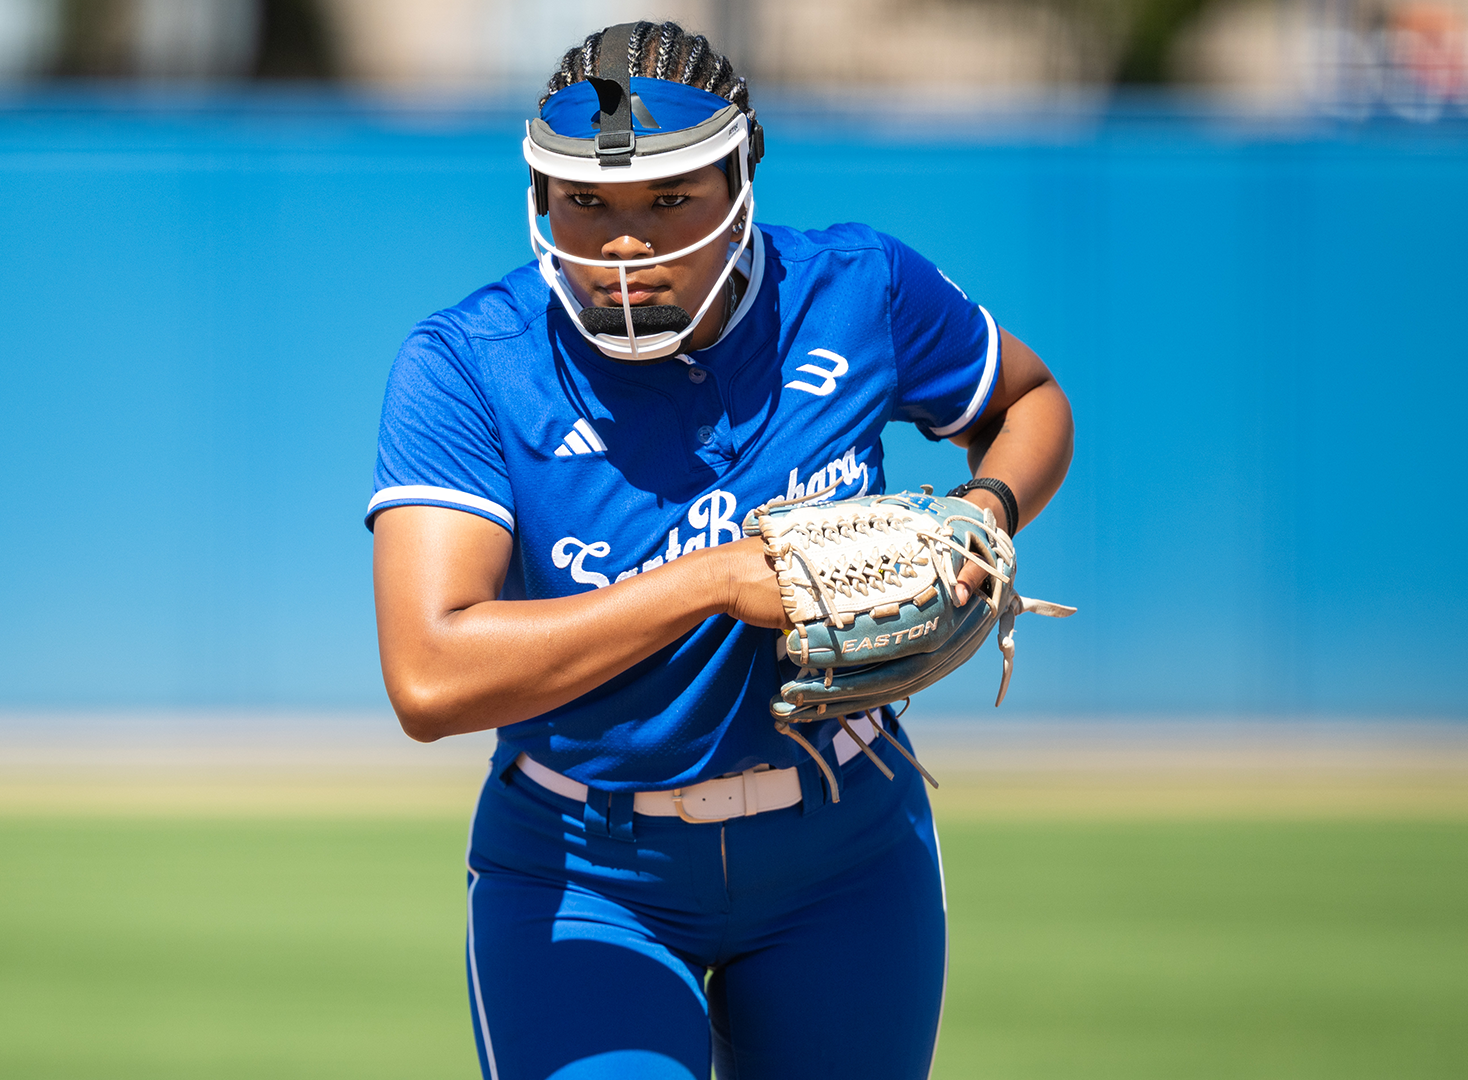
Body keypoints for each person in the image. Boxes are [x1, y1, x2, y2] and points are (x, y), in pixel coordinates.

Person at [368, 21, 1073, 1080]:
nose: (621, 243)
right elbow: (430, 674)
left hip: (846, 850)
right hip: (587, 871)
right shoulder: (472, 364)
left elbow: (1028, 400)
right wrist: (709, 583)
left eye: (669, 200)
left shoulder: (857, 290)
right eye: (586, 201)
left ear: (742, 177)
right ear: (539, 197)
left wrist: (987, 512)